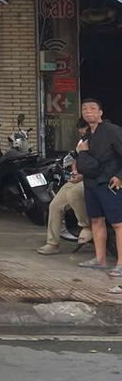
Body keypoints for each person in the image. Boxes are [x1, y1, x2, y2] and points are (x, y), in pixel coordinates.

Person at [74, 98, 122, 275]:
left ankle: (120, 263)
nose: (88, 111)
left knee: (118, 223)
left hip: (109, 183)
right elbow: (85, 161)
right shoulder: (87, 135)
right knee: (96, 220)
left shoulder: (112, 130)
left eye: (92, 108)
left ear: (100, 112)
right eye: (84, 109)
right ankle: (100, 259)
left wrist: (119, 176)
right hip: (91, 183)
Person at [38, 119, 92, 254]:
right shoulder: (82, 142)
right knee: (55, 205)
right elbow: (74, 159)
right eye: (80, 133)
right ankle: (53, 243)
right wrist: (74, 172)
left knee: (73, 194)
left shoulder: (99, 141)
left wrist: (82, 175)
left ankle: (87, 226)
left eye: (84, 131)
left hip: (91, 180)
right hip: (77, 179)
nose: (82, 135)